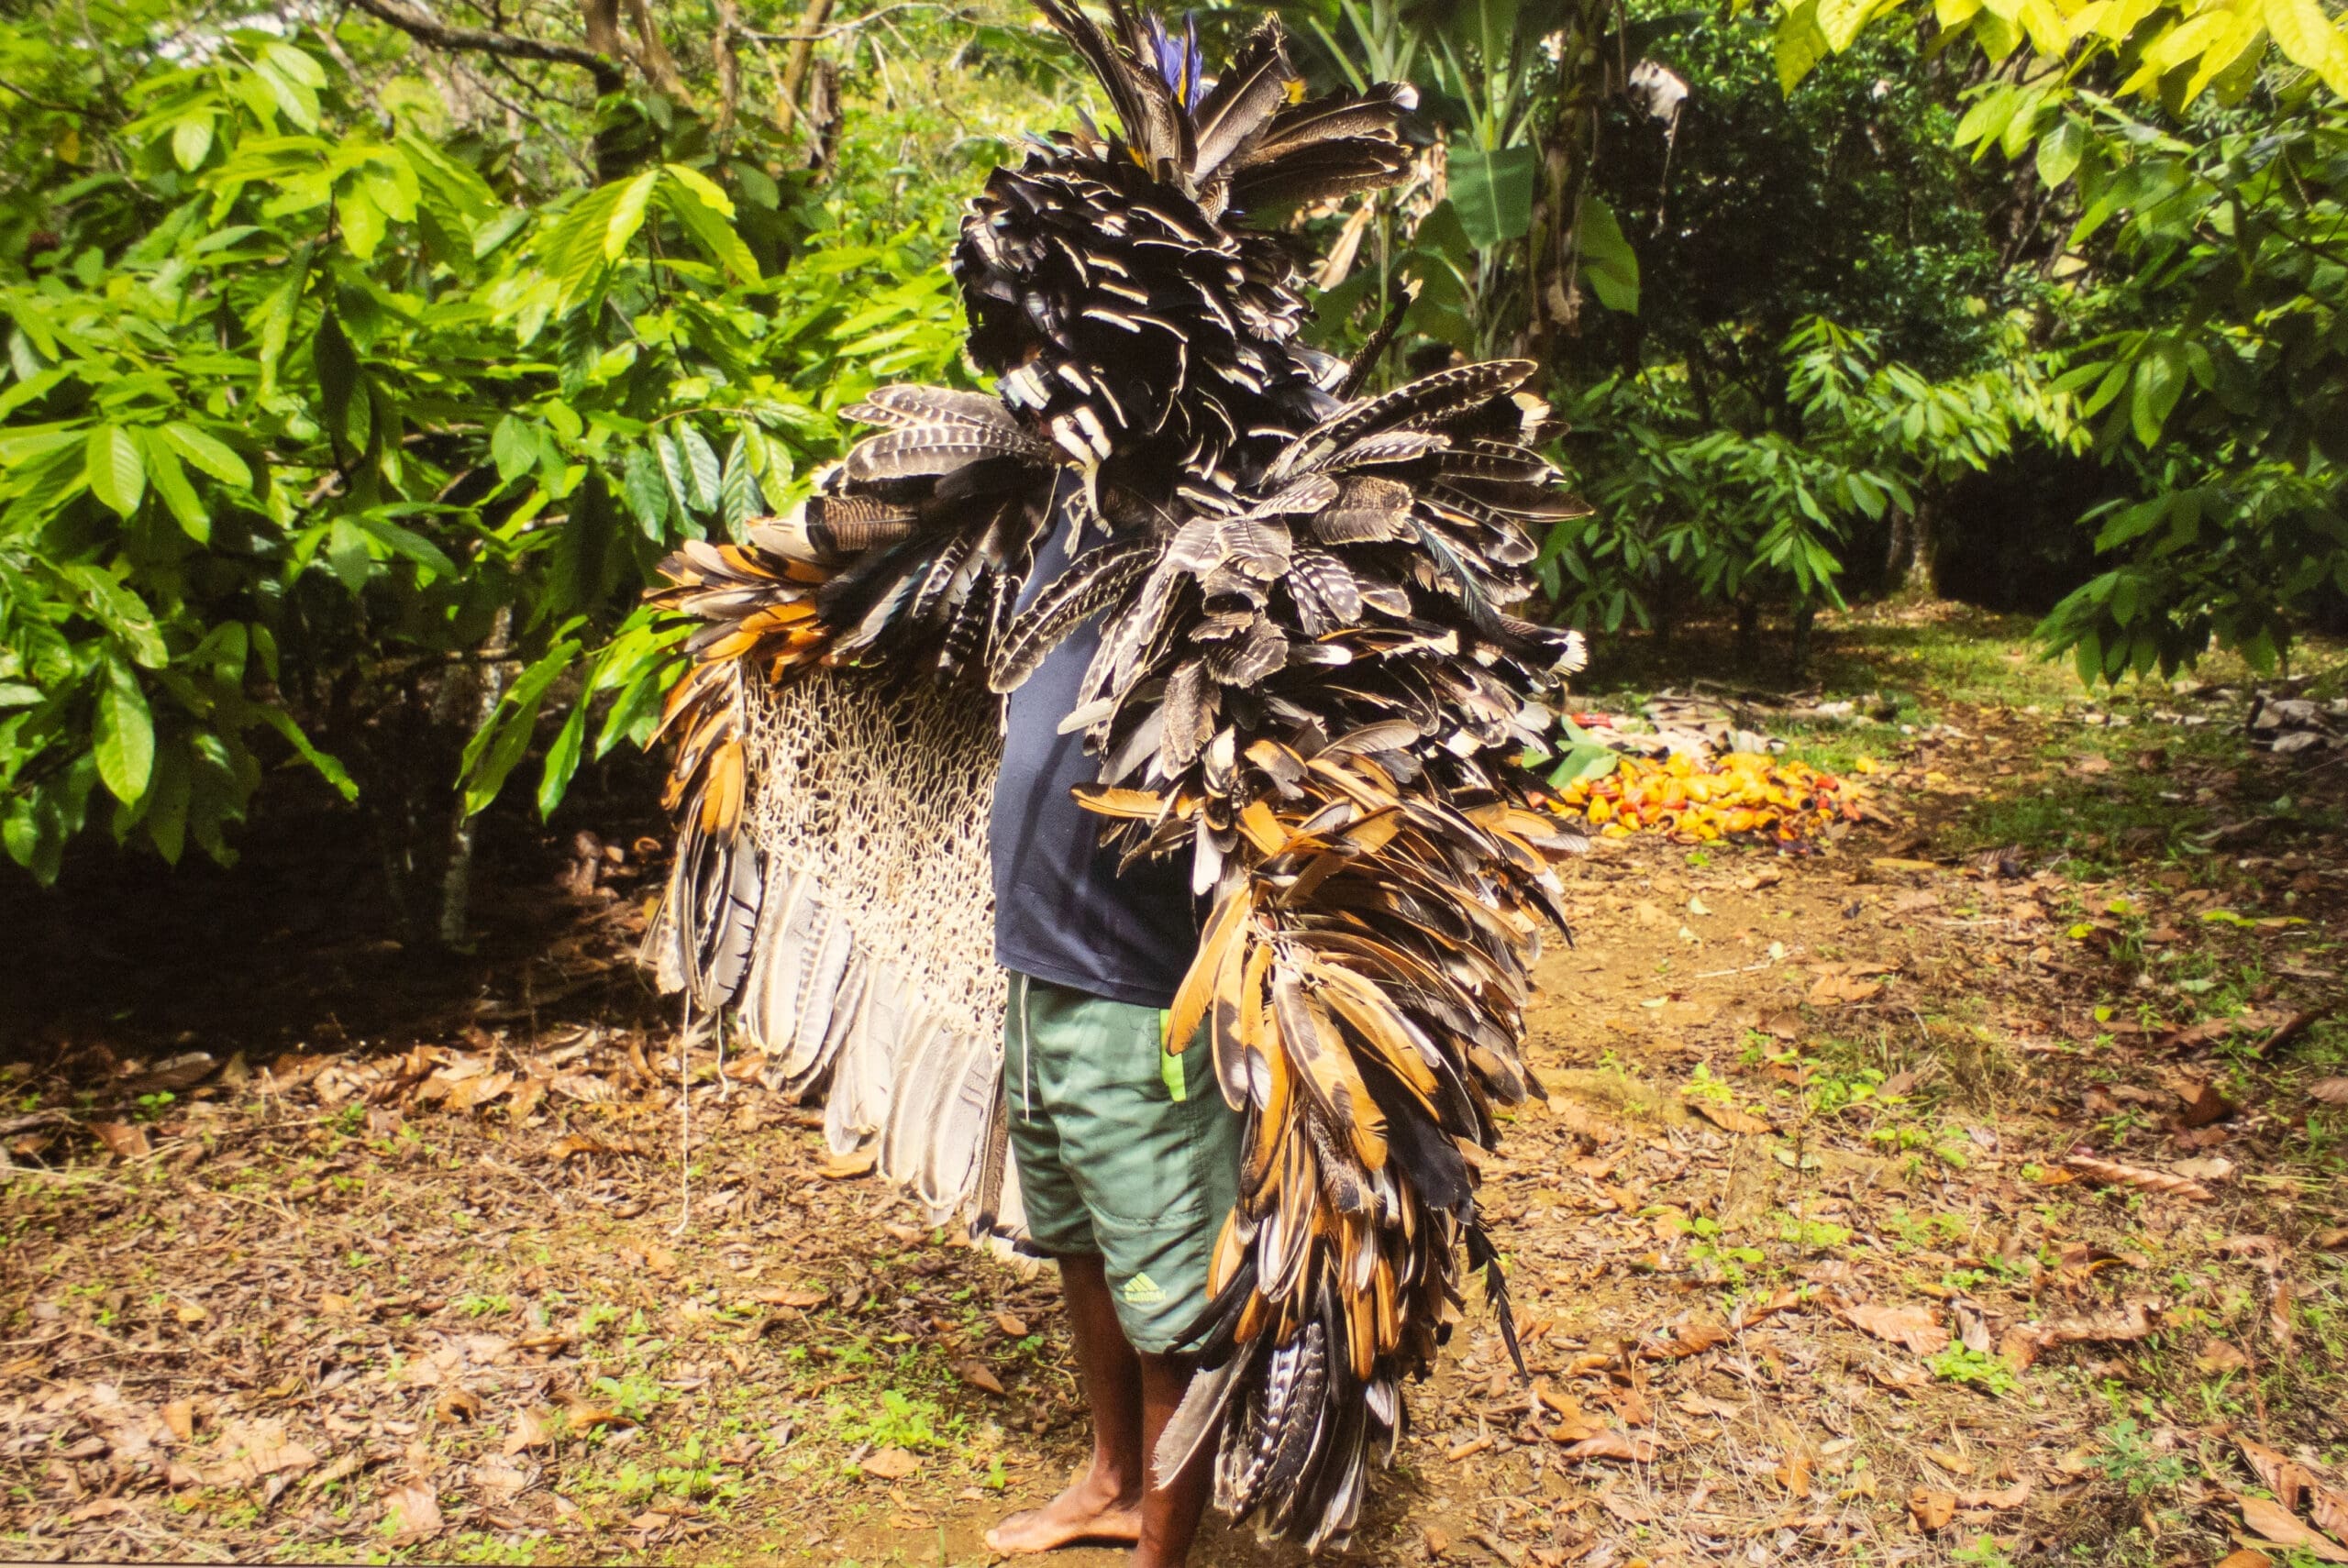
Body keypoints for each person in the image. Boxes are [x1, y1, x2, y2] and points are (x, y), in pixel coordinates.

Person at [982, 492, 1236, 1568]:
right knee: (1080, 1248)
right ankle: (1113, 1482)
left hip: (1145, 997)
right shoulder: (1049, 513)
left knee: (1171, 1297)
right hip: (1041, 979)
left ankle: (1165, 1554)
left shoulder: (1219, 528)